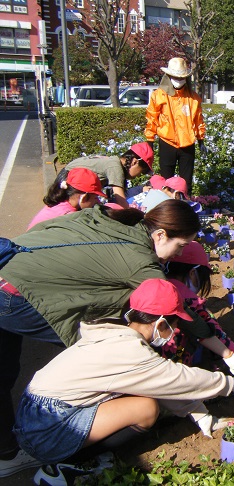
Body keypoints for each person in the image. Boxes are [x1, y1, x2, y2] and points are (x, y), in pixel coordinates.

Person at [0, 199, 203, 477]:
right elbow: (172, 303)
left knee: (3, 373)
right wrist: (229, 355)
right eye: (180, 246)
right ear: (160, 235)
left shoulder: (118, 221)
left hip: (8, 269)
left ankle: (9, 453)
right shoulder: (141, 262)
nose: (176, 255)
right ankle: (67, 445)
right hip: (16, 296)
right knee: (111, 354)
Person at [13, 278, 234, 484]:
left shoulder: (115, 334)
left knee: (145, 395)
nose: (175, 332)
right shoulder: (132, 354)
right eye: (174, 324)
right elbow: (176, 379)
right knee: (145, 409)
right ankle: (66, 465)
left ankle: (66, 453)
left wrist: (200, 416)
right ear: (161, 322)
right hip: (47, 425)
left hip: (34, 411)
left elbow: (161, 382)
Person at [164, 242, 234, 375]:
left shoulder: (159, 284)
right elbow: (216, 336)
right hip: (175, 365)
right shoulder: (189, 302)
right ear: (193, 273)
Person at [145, 58, 206, 196]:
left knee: (186, 183)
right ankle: (168, 212)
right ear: (169, 76)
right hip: (167, 143)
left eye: (181, 77)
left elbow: (198, 121)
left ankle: (186, 210)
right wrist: (149, 141)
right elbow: (152, 118)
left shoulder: (193, 98)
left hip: (188, 144)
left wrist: (201, 140)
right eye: (176, 77)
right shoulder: (158, 95)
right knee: (166, 182)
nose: (178, 80)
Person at [63, 142, 155, 209]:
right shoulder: (116, 167)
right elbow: (121, 202)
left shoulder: (113, 161)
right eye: (142, 171)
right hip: (68, 180)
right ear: (134, 162)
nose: (139, 176)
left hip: (68, 178)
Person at [27, 168, 106, 230]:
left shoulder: (58, 203)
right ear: (84, 197)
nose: (98, 201)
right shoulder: (69, 216)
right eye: (95, 198)